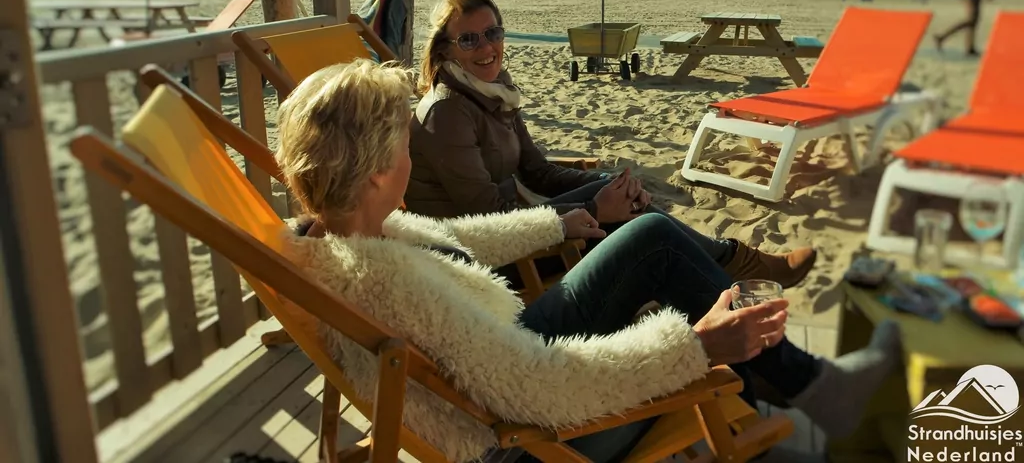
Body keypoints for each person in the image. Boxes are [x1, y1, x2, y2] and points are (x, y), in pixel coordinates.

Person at [276, 59, 904, 463]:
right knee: (676, 281)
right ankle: (797, 390)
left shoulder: (344, 234)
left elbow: (455, 241)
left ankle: (794, 382)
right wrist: (696, 347)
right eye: (404, 142)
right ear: (380, 169)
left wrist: (557, 221)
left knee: (651, 236)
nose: (413, 152)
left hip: (499, 356)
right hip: (528, 438)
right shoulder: (387, 287)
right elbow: (542, 390)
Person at [404, 0, 817, 289]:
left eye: (493, 33)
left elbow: (538, 171)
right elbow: (488, 218)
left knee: (634, 209)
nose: (486, 47)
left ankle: (731, 267)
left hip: (520, 232)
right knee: (648, 233)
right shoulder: (448, 112)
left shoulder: (492, 93)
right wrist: (594, 207)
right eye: (469, 39)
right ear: (445, 50)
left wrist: (606, 184)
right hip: (492, 260)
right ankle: (734, 268)